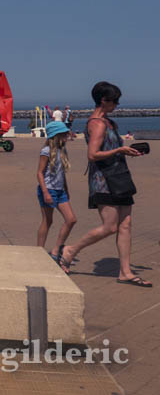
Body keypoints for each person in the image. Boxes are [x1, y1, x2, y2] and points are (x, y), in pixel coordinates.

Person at [59, 82, 150, 286]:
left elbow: (109, 148)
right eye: (114, 101)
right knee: (110, 227)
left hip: (119, 176)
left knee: (125, 225)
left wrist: (126, 151)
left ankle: (125, 272)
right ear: (103, 100)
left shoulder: (109, 123)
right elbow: (92, 155)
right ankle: (70, 250)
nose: (117, 104)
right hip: (104, 181)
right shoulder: (97, 124)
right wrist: (119, 151)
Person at [36, 121, 77, 266]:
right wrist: (46, 192)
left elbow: (62, 173)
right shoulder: (46, 151)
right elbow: (40, 173)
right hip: (48, 189)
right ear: (56, 135)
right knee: (47, 221)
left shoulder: (62, 149)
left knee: (71, 219)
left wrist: (66, 189)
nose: (67, 135)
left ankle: (55, 250)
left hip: (60, 191)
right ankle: (39, 252)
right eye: (64, 133)